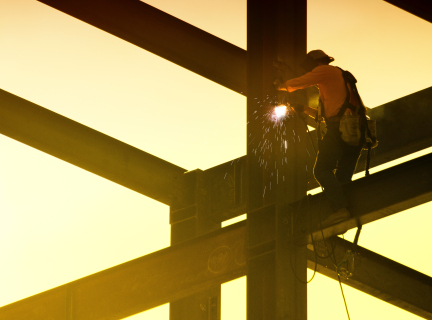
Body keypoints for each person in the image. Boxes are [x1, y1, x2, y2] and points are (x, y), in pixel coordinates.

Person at [276, 49, 363, 227]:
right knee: (342, 178)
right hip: (355, 130)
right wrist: (302, 108)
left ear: (314, 64)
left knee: (321, 170)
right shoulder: (338, 79)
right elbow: (326, 115)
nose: (309, 73)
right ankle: (342, 213)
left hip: (340, 129)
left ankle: (340, 210)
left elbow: (300, 82)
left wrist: (280, 85)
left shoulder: (324, 71)